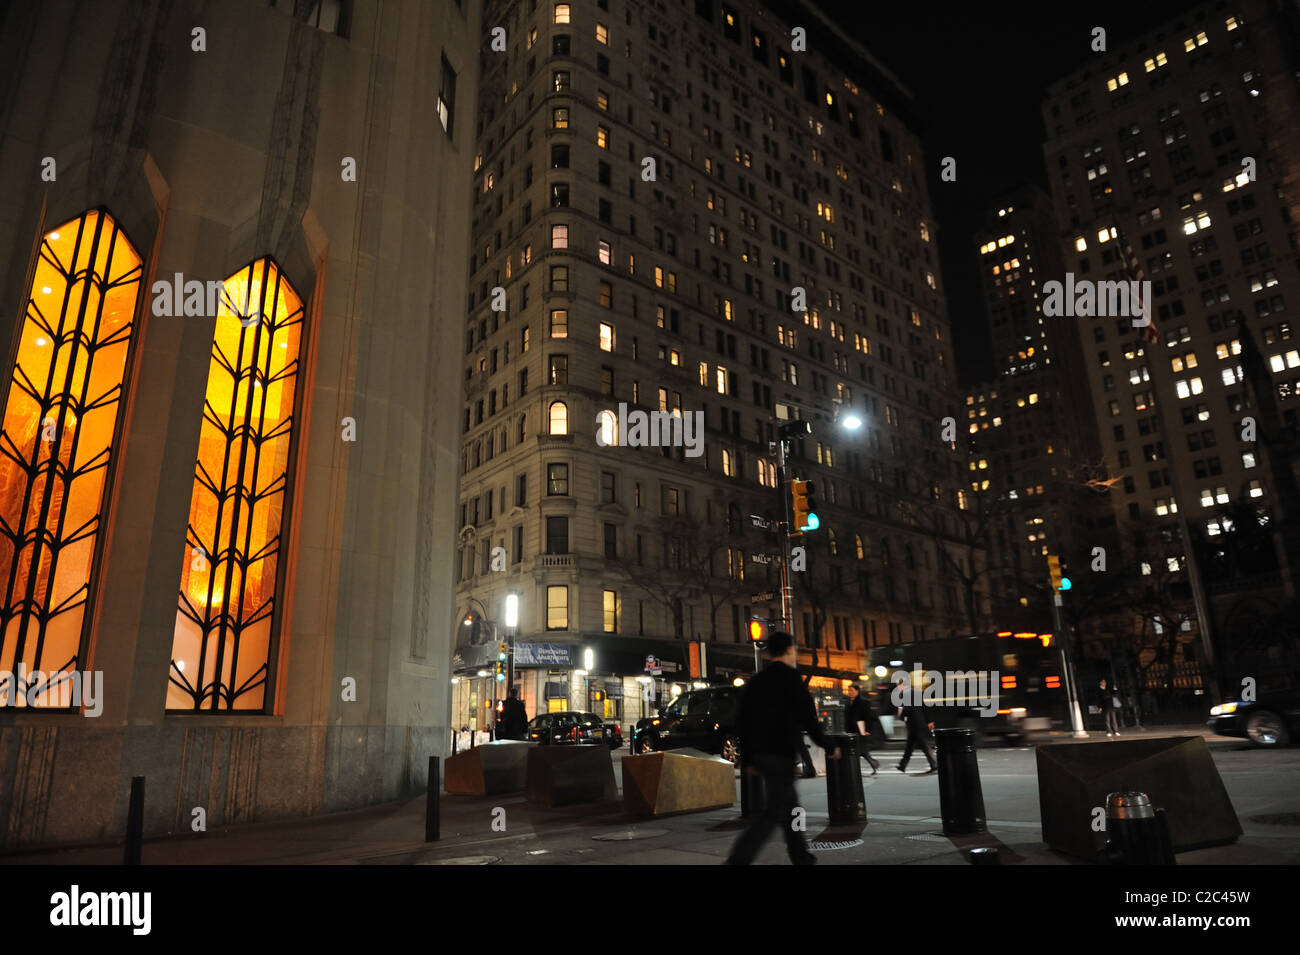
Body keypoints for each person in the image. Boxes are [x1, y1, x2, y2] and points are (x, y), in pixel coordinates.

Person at [726, 631, 841, 865]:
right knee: (772, 813)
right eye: (794, 650)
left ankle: (801, 857)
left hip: (761, 754)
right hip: (781, 754)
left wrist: (748, 759)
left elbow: (743, 722)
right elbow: (810, 719)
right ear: (789, 650)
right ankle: (737, 860)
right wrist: (828, 746)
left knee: (789, 808)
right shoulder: (791, 679)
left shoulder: (756, 681)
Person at [845, 683, 881, 775]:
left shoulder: (864, 702)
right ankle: (874, 764)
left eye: (852, 690)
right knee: (862, 752)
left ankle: (855, 771)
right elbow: (847, 718)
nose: (850, 692)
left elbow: (868, 717)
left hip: (861, 730)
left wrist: (867, 730)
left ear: (857, 691)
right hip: (851, 730)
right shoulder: (848, 702)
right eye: (849, 690)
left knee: (858, 752)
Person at [896, 695, 937, 774]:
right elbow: (926, 709)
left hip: (914, 726)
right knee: (910, 747)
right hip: (920, 725)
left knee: (924, 746)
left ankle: (934, 765)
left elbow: (906, 711)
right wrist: (929, 721)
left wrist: (901, 716)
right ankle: (902, 766)